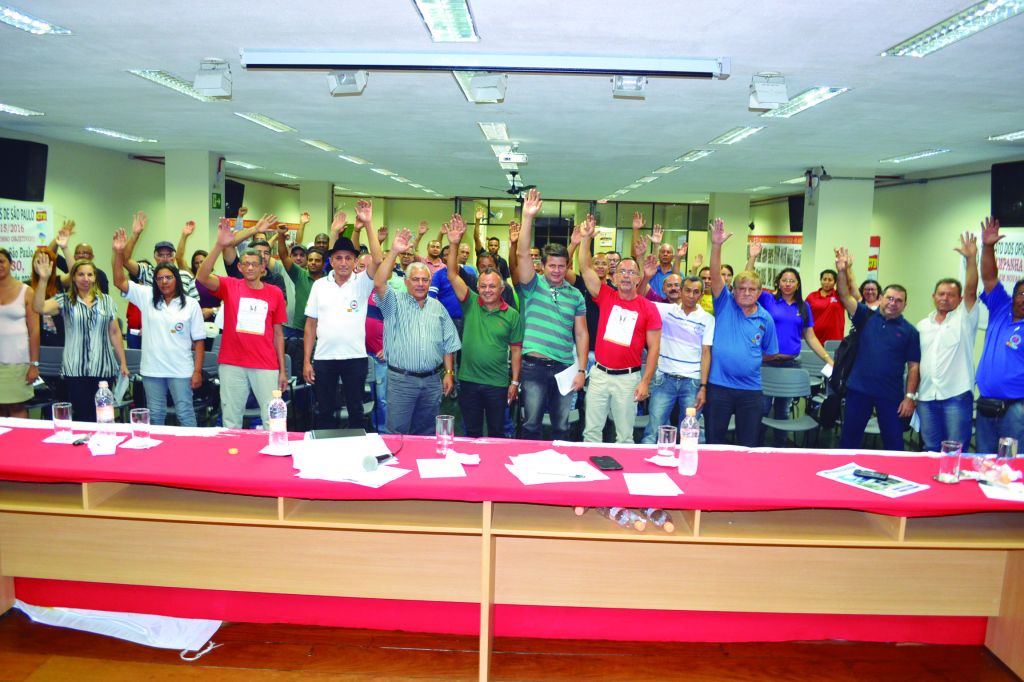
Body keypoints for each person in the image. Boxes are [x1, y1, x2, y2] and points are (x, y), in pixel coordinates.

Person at [195, 219, 288, 429]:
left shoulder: (274, 293)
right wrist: (219, 245)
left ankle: (273, 449)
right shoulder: (230, 286)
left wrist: (282, 370)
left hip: (265, 363)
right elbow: (202, 276)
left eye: (255, 264)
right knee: (231, 418)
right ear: (239, 266)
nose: (250, 267)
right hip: (232, 363)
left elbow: (278, 334)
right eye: (245, 264)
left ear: (263, 267)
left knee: (272, 419)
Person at [577, 215, 661, 443]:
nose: (626, 276)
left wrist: (645, 381)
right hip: (599, 375)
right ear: (614, 276)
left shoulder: (648, 308)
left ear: (638, 278)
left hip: (628, 379)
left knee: (625, 436)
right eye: (622, 271)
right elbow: (584, 268)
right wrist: (586, 239)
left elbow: (654, 349)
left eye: (632, 272)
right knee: (591, 432)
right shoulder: (605, 295)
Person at [112, 229, 205, 426]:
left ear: (177, 279)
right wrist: (117, 253)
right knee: (155, 416)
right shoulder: (147, 296)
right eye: (160, 278)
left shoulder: (190, 304)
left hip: (181, 370)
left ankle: (192, 447)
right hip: (152, 370)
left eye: (168, 277)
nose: (164, 282)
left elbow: (199, 341)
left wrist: (197, 371)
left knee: (185, 414)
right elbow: (119, 281)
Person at [515, 188, 588, 440]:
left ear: (568, 266)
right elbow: (522, 253)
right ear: (542, 266)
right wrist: (528, 217)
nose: (557, 270)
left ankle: (561, 463)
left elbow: (581, 334)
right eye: (552, 265)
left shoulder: (575, 295)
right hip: (534, 366)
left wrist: (581, 370)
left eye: (561, 266)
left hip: (565, 367)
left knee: (562, 427)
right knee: (531, 425)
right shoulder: (532, 285)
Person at [373, 228, 460, 435]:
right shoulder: (393, 302)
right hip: (402, 382)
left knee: (427, 434)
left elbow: (448, 343)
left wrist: (449, 373)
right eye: (415, 279)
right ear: (406, 282)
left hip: (432, 382)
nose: (421, 284)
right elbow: (379, 282)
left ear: (430, 282)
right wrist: (394, 251)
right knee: (397, 434)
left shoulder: (438, 308)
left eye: (425, 280)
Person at [303, 204, 383, 430]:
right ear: (332, 261)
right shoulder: (319, 285)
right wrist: (307, 361)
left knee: (356, 412)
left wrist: (368, 223)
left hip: (355, 358)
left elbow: (378, 260)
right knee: (325, 411)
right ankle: (325, 449)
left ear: (355, 261)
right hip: (324, 358)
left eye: (349, 258)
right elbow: (310, 325)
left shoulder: (362, 283)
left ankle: (356, 448)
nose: (344, 263)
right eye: (338, 258)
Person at [745, 244, 833, 445]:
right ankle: (756, 448)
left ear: (797, 284)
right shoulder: (767, 299)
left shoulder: (804, 306)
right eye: (784, 280)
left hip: (790, 364)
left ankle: (780, 448)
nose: (787, 284)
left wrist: (828, 359)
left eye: (792, 281)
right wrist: (752, 257)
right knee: (763, 409)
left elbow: (810, 336)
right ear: (778, 282)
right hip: (766, 363)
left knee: (783, 411)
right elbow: (748, 280)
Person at [834, 247, 920, 451]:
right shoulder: (865, 316)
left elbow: (914, 367)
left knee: (894, 444)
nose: (893, 303)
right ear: (881, 298)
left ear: (905, 305)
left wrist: (910, 397)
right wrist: (842, 271)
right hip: (859, 391)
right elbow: (844, 295)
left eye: (899, 300)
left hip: (890, 395)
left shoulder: (910, 331)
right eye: (889, 298)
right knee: (849, 441)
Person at [445, 214, 523, 438]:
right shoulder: (470, 302)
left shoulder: (512, 315)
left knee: (497, 433)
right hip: (469, 382)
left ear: (501, 289)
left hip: (497, 384)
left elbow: (516, 351)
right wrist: (454, 243)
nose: (488, 290)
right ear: (477, 287)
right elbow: (452, 274)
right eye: (483, 286)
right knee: (471, 432)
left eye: (492, 286)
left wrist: (514, 382)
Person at [703, 218, 778, 447]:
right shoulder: (724, 304)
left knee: (748, 445)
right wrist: (716, 245)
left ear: (759, 292)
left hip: (750, 390)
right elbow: (715, 275)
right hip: (719, 388)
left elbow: (770, 352)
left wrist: (748, 358)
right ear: (732, 290)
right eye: (741, 289)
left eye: (752, 289)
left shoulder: (765, 318)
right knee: (714, 442)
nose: (746, 292)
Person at [32, 254, 128, 422]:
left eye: (90, 274)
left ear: (95, 277)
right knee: (82, 416)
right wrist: (43, 279)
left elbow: (114, 332)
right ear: (74, 278)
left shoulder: (107, 301)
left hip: (103, 367)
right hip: (75, 369)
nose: (86, 278)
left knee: (103, 415)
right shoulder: (65, 300)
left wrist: (123, 362)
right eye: (81, 274)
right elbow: (39, 307)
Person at [914, 233, 980, 452]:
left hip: (956, 396)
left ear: (960, 299)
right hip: (926, 397)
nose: (945, 298)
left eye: (951, 295)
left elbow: (971, 289)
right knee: (930, 449)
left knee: (955, 450)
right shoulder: (922, 325)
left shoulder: (965, 320)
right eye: (941, 294)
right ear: (933, 296)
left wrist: (971, 259)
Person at [641, 275, 714, 445]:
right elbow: (639, 298)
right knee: (652, 432)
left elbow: (706, 353)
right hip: (664, 380)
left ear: (701, 295)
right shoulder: (666, 311)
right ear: (681, 291)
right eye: (687, 290)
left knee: (689, 435)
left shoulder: (708, 319)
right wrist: (646, 276)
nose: (691, 295)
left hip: (692, 382)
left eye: (696, 292)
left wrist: (703, 387)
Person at [975, 217, 1024, 453]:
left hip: (1016, 409)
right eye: (1022, 293)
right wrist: (988, 247)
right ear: (1014, 296)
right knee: (983, 462)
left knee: (1011, 465)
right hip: (986, 404)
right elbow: (989, 278)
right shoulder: (1000, 308)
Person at [122, 212, 200, 302]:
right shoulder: (148, 273)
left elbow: (196, 304)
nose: (165, 258)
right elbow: (125, 260)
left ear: (174, 258)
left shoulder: (185, 276)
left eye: (169, 255)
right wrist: (135, 234)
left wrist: (184, 236)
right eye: (161, 255)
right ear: (154, 257)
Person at [0, 248, 39, 418]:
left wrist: (34, 364)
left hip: (18, 361)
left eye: (2, 261)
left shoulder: (26, 291)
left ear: (11, 264)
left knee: (16, 406)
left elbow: (34, 330)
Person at [50, 220, 111, 295]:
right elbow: (50, 255)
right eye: (78, 253)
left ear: (92, 257)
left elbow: (104, 298)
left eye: (85, 253)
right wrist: (58, 239)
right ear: (74, 257)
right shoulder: (69, 267)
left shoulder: (100, 274)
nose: (81, 255)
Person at [30, 246, 64, 347]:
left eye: (46, 262)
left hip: (59, 338)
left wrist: (65, 248)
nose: (43, 265)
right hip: (36, 337)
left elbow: (74, 274)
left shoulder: (60, 281)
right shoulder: (26, 287)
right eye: (39, 261)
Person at [806, 268, 845, 343]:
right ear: (821, 280)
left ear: (835, 282)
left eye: (830, 280)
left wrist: (843, 270)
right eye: (824, 279)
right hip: (814, 339)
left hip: (834, 340)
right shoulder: (811, 296)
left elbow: (847, 285)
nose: (827, 282)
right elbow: (804, 316)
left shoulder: (840, 296)